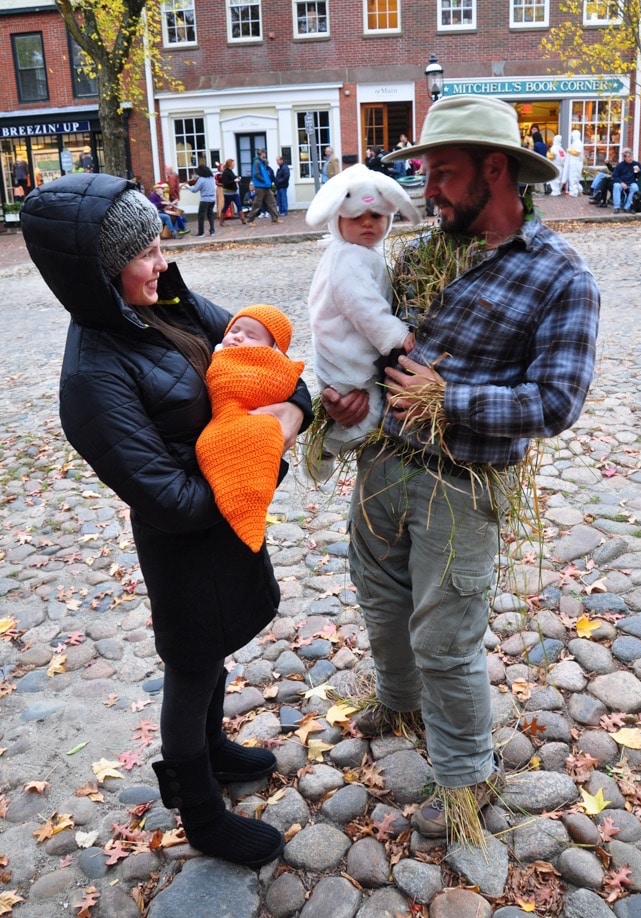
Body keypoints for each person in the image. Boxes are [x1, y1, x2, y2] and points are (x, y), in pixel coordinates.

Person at [323, 95, 600, 843]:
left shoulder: (562, 277)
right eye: (425, 173)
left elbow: (557, 400)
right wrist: (348, 394)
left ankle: (466, 778)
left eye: (441, 173)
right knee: (379, 601)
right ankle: (397, 701)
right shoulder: (423, 253)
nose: (427, 190)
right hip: (382, 464)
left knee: (446, 640)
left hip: (462, 486)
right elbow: (373, 342)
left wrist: (453, 399)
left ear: (496, 169)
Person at [21, 173, 312, 868]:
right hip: (183, 543)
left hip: (225, 520)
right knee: (190, 665)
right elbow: (175, 501)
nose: (164, 260)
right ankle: (202, 814)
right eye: (146, 252)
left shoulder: (168, 302)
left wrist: (288, 414)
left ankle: (214, 750)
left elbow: (272, 369)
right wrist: (266, 455)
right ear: (99, 271)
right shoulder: (90, 379)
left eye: (159, 242)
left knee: (214, 653)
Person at [306, 164, 420, 463]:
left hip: (343, 350)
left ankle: (331, 443)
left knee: (368, 413)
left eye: (377, 216)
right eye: (356, 217)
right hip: (346, 360)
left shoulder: (357, 252)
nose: (367, 224)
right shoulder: (350, 257)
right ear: (337, 219)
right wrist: (397, 335)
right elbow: (362, 305)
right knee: (368, 421)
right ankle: (326, 447)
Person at [196, 305, 305, 552]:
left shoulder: (271, 364)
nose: (237, 337)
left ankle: (250, 509)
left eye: (252, 336)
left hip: (252, 420)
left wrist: (297, 407)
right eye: (234, 330)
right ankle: (242, 508)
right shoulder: (219, 354)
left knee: (263, 433)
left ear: (272, 349)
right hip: (221, 424)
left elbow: (286, 378)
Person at [243, 150, 280, 224]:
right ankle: (250, 220)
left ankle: (275, 219)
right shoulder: (257, 162)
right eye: (264, 153)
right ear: (262, 154)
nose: (265, 154)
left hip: (266, 186)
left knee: (272, 202)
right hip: (260, 187)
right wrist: (264, 180)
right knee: (257, 203)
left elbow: (264, 168)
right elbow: (256, 174)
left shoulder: (261, 162)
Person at [183, 164, 217, 236]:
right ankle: (212, 231)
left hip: (204, 199)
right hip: (213, 199)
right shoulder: (211, 178)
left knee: (201, 216)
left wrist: (187, 186)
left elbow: (195, 189)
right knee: (210, 215)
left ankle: (201, 233)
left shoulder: (201, 179)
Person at [612, 148, 641, 212]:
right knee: (616, 186)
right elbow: (615, 176)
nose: (631, 158)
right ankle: (617, 207)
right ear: (625, 158)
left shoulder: (635, 164)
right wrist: (621, 182)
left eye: (631, 156)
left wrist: (639, 170)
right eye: (629, 157)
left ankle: (627, 207)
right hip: (622, 182)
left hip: (631, 182)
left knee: (635, 188)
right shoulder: (620, 165)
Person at [219, 159, 246, 226]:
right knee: (226, 206)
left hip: (234, 191)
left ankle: (243, 219)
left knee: (239, 204)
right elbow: (225, 182)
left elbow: (233, 178)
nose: (234, 165)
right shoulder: (226, 172)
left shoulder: (231, 171)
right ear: (230, 164)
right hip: (228, 192)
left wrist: (237, 178)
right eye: (233, 163)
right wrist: (234, 181)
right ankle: (222, 221)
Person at [562, 129, 584, 197]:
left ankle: (573, 192)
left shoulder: (578, 143)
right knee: (574, 177)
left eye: (573, 136)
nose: (572, 137)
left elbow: (577, 152)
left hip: (575, 163)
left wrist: (570, 151)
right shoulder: (575, 143)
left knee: (573, 177)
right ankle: (578, 190)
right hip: (573, 163)